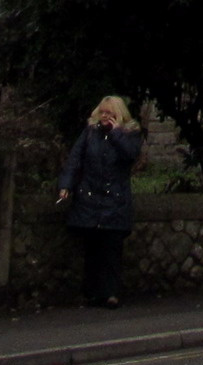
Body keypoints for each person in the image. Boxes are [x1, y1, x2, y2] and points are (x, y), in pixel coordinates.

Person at [57, 95, 144, 306]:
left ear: (118, 115)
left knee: (112, 248)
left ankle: (111, 292)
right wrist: (65, 185)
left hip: (115, 200)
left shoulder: (129, 134)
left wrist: (115, 135)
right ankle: (92, 292)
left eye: (110, 113)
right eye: (102, 113)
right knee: (93, 248)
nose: (105, 117)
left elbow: (130, 155)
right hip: (90, 198)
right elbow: (75, 160)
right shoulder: (90, 133)